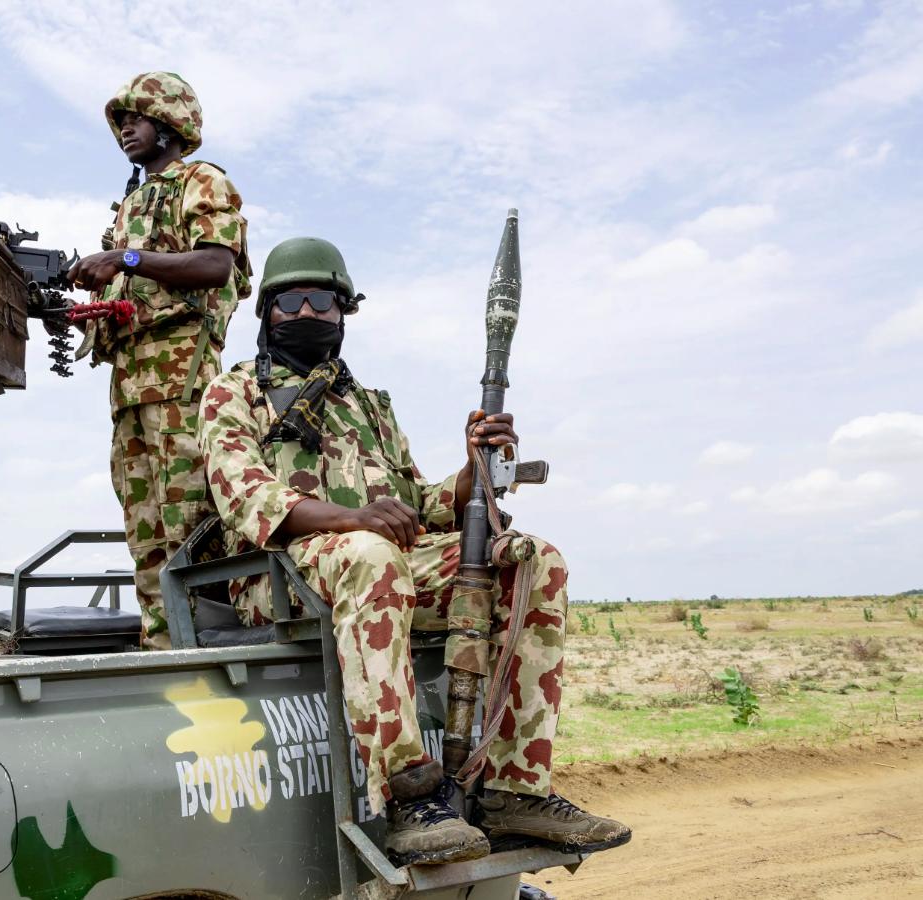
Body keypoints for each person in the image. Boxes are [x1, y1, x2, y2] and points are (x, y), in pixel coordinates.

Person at [197, 237, 630, 865]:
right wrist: (356, 519)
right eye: (291, 300)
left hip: (383, 562)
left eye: (324, 299)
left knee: (535, 558)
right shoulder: (231, 393)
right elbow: (249, 499)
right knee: (372, 553)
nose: (307, 311)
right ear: (266, 313)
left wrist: (472, 466)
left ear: (344, 312)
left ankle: (515, 791)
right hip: (282, 575)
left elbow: (421, 503)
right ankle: (409, 797)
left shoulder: (368, 405)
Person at [67, 72, 251, 650]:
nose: (125, 127)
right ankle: (162, 645)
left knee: (191, 519)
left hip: (183, 380)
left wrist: (124, 257)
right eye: (121, 119)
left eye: (137, 117)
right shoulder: (131, 203)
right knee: (143, 524)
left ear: (170, 125)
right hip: (129, 386)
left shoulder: (201, 181)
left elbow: (216, 265)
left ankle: (211, 644)